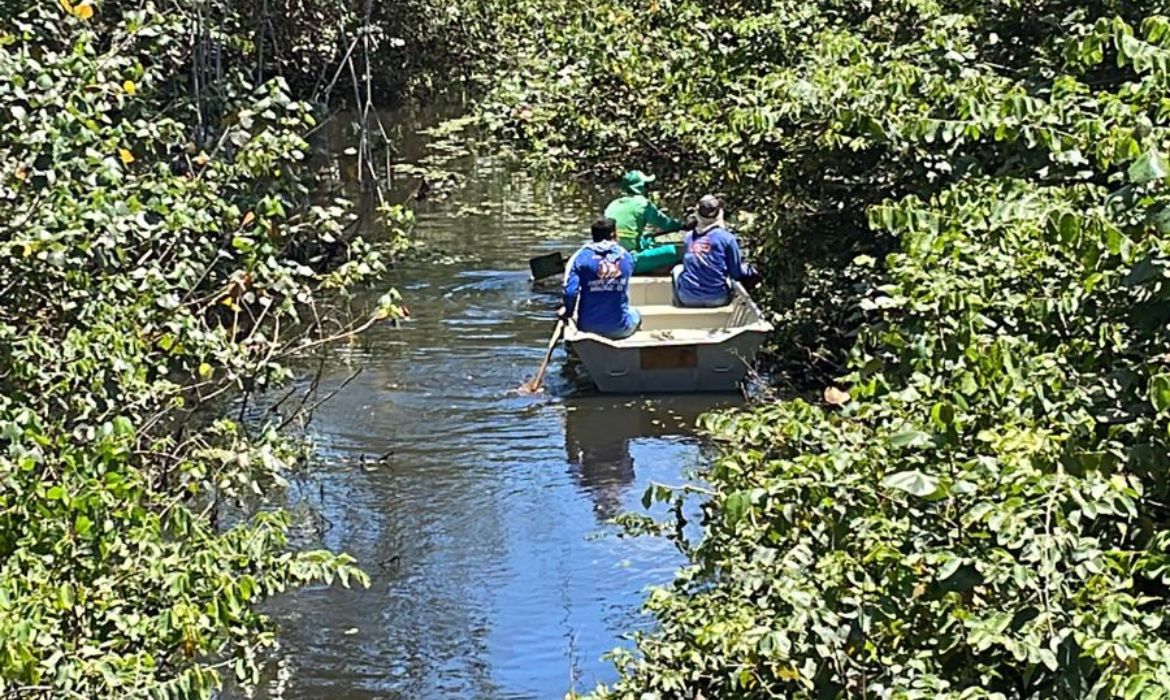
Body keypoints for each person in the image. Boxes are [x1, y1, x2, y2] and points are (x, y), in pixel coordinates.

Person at [560, 217, 641, 339]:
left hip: (587, 328)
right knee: (636, 314)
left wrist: (568, 313)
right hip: (619, 328)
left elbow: (570, 293)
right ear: (614, 234)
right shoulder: (626, 257)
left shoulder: (580, 257)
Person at [672, 195, 753, 307]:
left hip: (687, 299)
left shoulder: (688, 237)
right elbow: (735, 273)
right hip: (718, 299)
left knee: (677, 269)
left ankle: (679, 306)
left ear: (698, 215)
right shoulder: (727, 238)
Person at [604, 170, 684, 253]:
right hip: (630, 255)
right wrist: (681, 226)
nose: (648, 188)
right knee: (676, 251)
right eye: (646, 185)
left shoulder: (612, 204)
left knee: (647, 238)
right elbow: (665, 223)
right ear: (639, 187)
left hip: (609, 250)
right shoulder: (643, 204)